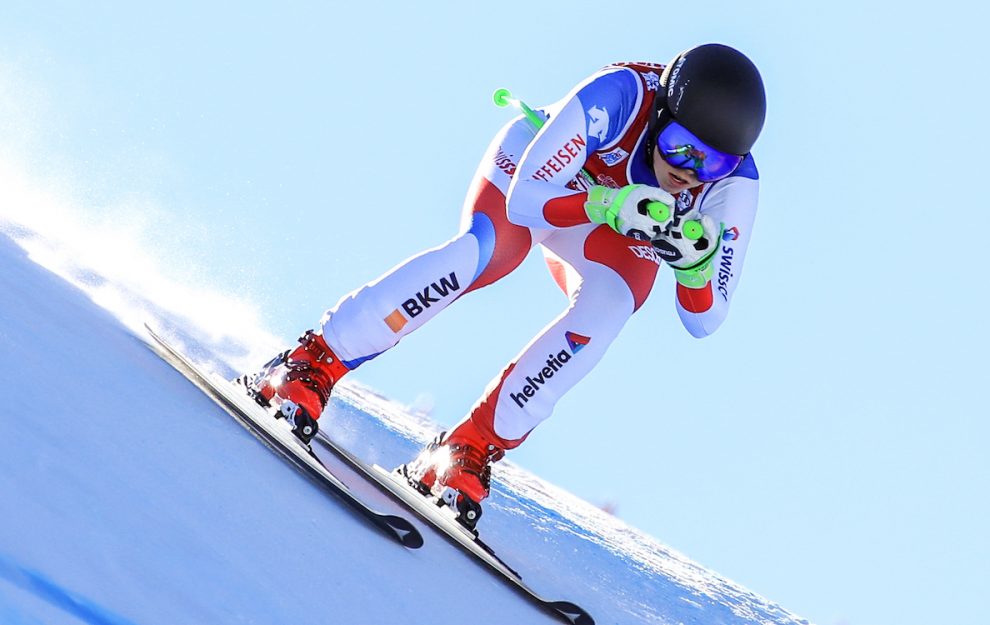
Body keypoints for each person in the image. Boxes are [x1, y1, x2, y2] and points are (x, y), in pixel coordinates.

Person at [242, 43, 766, 530]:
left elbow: (705, 319)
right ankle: (312, 363)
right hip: (544, 180)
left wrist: (696, 269)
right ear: (661, 119)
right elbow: (524, 199)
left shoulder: (734, 187)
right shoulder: (622, 96)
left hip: (608, 223)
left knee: (608, 312)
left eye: (712, 162)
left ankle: (465, 452)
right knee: (489, 253)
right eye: (679, 147)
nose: (688, 172)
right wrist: (603, 204)